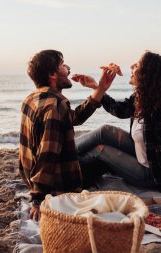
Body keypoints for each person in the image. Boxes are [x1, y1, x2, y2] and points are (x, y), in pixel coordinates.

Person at [76, 51, 161, 202]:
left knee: (101, 149)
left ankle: (66, 163)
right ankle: (65, 151)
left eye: (137, 65)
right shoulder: (143, 98)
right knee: (104, 130)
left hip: (153, 175)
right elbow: (119, 110)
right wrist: (97, 87)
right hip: (145, 155)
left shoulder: (160, 113)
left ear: (147, 74)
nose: (131, 66)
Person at [19, 49, 115, 221]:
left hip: (30, 177)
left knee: (89, 152)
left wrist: (100, 88)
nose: (69, 69)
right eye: (63, 65)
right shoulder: (55, 106)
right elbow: (47, 154)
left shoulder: (32, 98)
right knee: (103, 160)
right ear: (52, 74)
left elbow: (74, 118)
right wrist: (38, 199)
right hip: (56, 185)